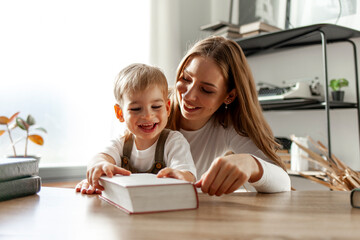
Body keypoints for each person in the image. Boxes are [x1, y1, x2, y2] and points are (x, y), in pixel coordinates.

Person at [77, 36, 291, 195]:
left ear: (229, 96)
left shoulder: (227, 126)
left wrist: (252, 164)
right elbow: (108, 156)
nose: (188, 96)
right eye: (185, 79)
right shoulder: (149, 107)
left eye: (206, 90)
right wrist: (97, 175)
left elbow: (284, 184)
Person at [76, 63, 196, 194]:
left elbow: (188, 175)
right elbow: (99, 158)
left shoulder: (174, 141)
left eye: (156, 106)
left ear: (167, 108)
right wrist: (99, 166)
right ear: (120, 113)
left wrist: (180, 176)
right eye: (135, 109)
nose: (148, 115)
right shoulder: (121, 142)